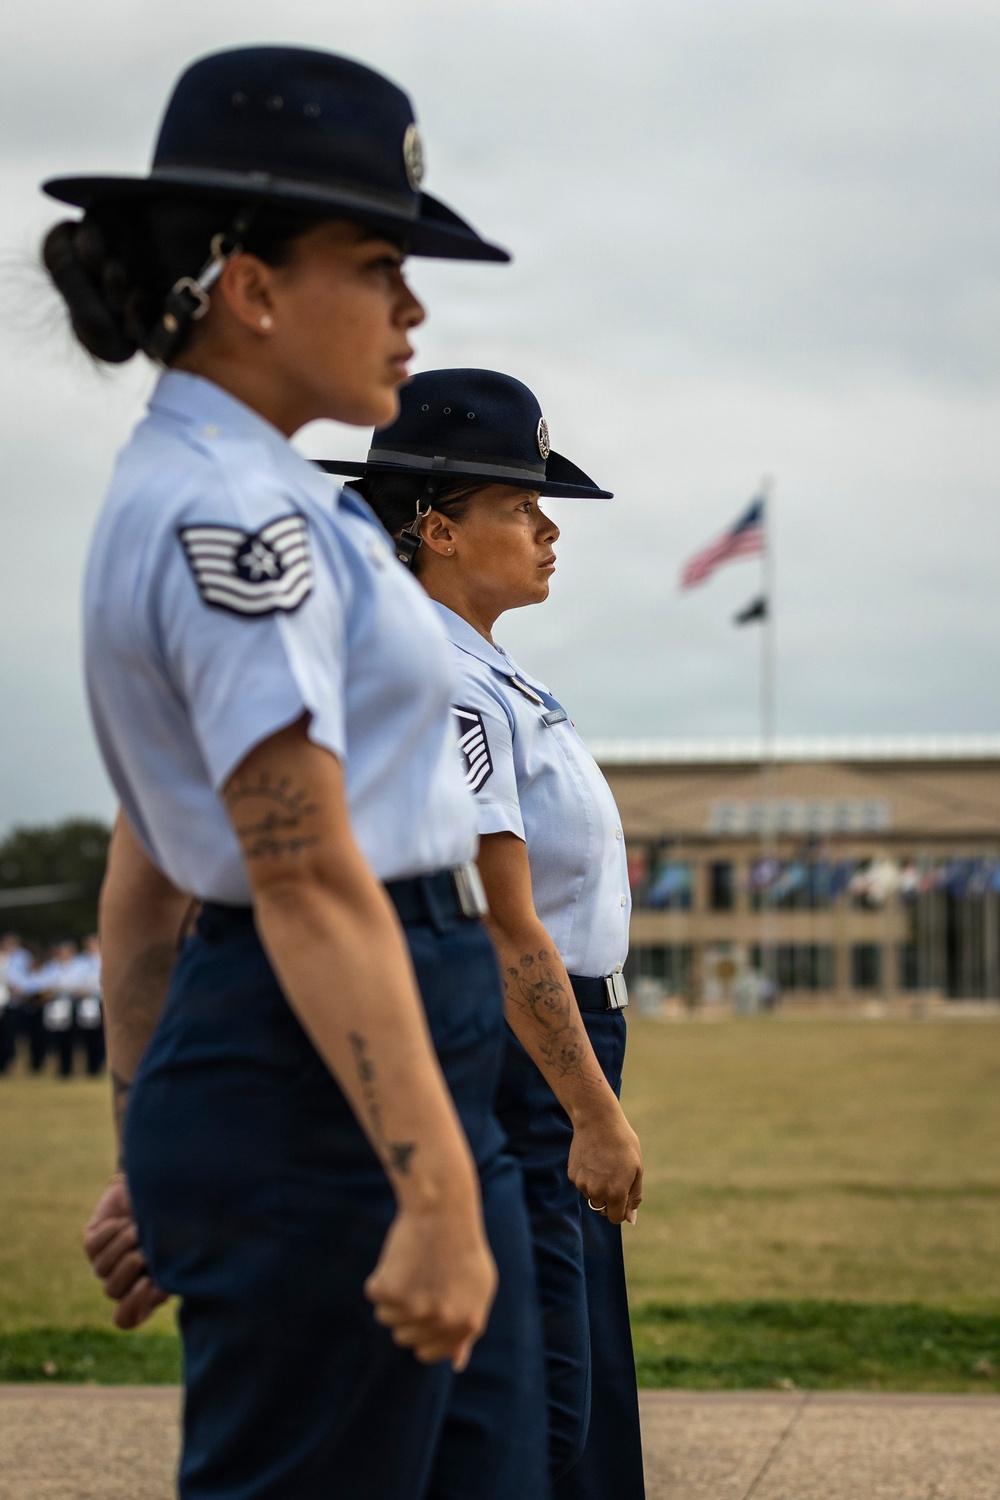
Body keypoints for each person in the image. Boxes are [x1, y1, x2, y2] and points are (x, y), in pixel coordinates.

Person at [43, 49, 548, 1500]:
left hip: (364, 1076)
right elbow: (307, 876)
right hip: (323, 1095)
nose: (416, 308)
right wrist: (433, 1183)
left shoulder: (273, 501)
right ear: (252, 287)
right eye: (381, 262)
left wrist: (152, 1137)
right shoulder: (230, 526)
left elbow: (142, 878)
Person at [324, 367, 645, 1499]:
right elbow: (502, 924)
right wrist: (592, 1114)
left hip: (545, 1055)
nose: (549, 528)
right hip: (524, 1066)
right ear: (438, 529)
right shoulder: (448, 684)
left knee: (574, 1381)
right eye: (520, 504)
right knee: (546, 1404)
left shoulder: (485, 671)